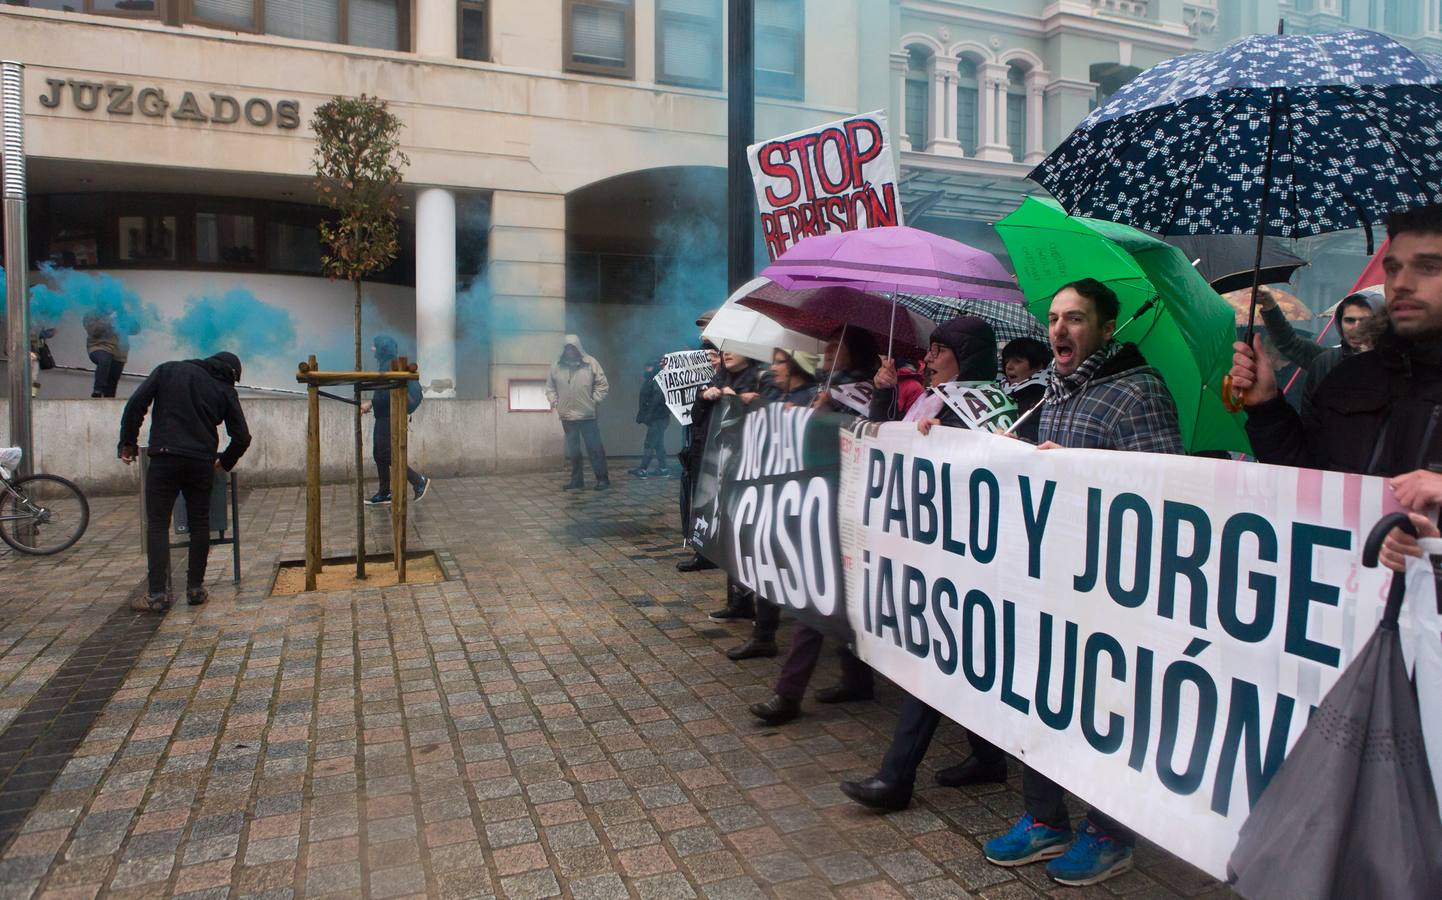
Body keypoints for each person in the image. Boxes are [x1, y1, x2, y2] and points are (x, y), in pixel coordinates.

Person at [984, 278, 1182, 887]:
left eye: (1075, 319)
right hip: (1052, 582)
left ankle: (1110, 834)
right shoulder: (1057, 392)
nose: (1060, 330)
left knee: (1104, 712)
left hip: (1110, 591)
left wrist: (1075, 471)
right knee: (1040, 700)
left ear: (1106, 327)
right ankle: (1046, 819)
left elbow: (1162, 489)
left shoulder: (1136, 392)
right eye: (1054, 319)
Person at [839, 317, 1019, 811]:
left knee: (938, 662)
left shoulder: (990, 410)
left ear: (967, 358)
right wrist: (883, 398)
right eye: (931, 348)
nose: (930, 358)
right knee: (957, 662)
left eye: (941, 350)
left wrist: (950, 439)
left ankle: (896, 778)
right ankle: (987, 757)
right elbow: (884, 443)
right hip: (938, 558)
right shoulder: (931, 401)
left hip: (972, 565)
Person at [1231, 204, 1442, 572]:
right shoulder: (1348, 378)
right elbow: (1308, 480)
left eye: (1428, 267)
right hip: (1336, 600)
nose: (1402, 283)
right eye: (1393, 268)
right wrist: (1266, 406)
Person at [118, 352, 251, 613]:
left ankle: (157, 594)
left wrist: (128, 442)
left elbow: (136, 404)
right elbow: (242, 436)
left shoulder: (168, 369)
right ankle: (195, 589)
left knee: (157, 524)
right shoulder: (224, 389)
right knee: (199, 523)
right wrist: (224, 463)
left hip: (164, 457)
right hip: (202, 461)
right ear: (230, 374)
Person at [725, 348, 820, 662]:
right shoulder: (780, 398)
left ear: (798, 368)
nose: (773, 368)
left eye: (780, 362)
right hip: (777, 498)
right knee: (766, 566)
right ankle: (763, 634)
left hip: (800, 504)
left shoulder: (812, 399)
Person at [693, 351, 764, 625]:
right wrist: (704, 396)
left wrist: (745, 402)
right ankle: (738, 601)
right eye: (725, 349)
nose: (727, 353)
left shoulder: (760, 380)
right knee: (730, 533)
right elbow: (698, 419)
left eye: (735, 346)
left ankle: (753, 603)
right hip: (722, 465)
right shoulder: (719, 378)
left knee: (746, 535)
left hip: (749, 468)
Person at [359, 335, 429, 505]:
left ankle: (418, 480)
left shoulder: (390, 365)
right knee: (379, 454)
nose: (372, 349)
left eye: (375, 346)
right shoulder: (388, 363)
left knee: (385, 453)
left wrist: (370, 403)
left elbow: (386, 394)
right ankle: (384, 492)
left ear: (382, 348)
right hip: (385, 414)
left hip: (389, 415)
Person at [676, 342, 721, 573]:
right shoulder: (706, 382)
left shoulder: (727, 382)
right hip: (699, 447)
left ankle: (708, 551)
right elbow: (695, 415)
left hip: (715, 451)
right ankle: (701, 550)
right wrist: (702, 396)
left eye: (715, 356)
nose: (712, 361)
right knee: (700, 501)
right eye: (708, 357)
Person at [545, 334, 611, 491]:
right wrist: (555, 402)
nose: (570, 351)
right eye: (567, 348)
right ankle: (577, 481)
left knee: (595, 449)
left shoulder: (591, 363)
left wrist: (593, 400)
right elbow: (550, 388)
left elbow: (603, 385)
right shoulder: (556, 366)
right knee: (574, 451)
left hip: (588, 416)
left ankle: (602, 479)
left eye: (572, 348)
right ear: (564, 350)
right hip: (567, 416)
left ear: (578, 348)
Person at [631, 356, 671, 478]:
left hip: (658, 417)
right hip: (657, 417)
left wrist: (648, 415)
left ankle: (643, 469)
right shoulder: (653, 380)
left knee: (650, 443)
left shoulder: (658, 380)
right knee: (658, 443)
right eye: (646, 367)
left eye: (649, 367)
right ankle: (663, 468)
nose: (647, 369)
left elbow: (656, 399)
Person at [85, 310, 132, 398]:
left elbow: (135, 329)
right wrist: (109, 319)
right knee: (104, 359)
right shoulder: (92, 314)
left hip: (119, 352)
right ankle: (98, 389)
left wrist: (127, 318)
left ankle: (108, 400)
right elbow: (94, 331)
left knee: (112, 383)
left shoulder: (120, 314)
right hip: (100, 346)